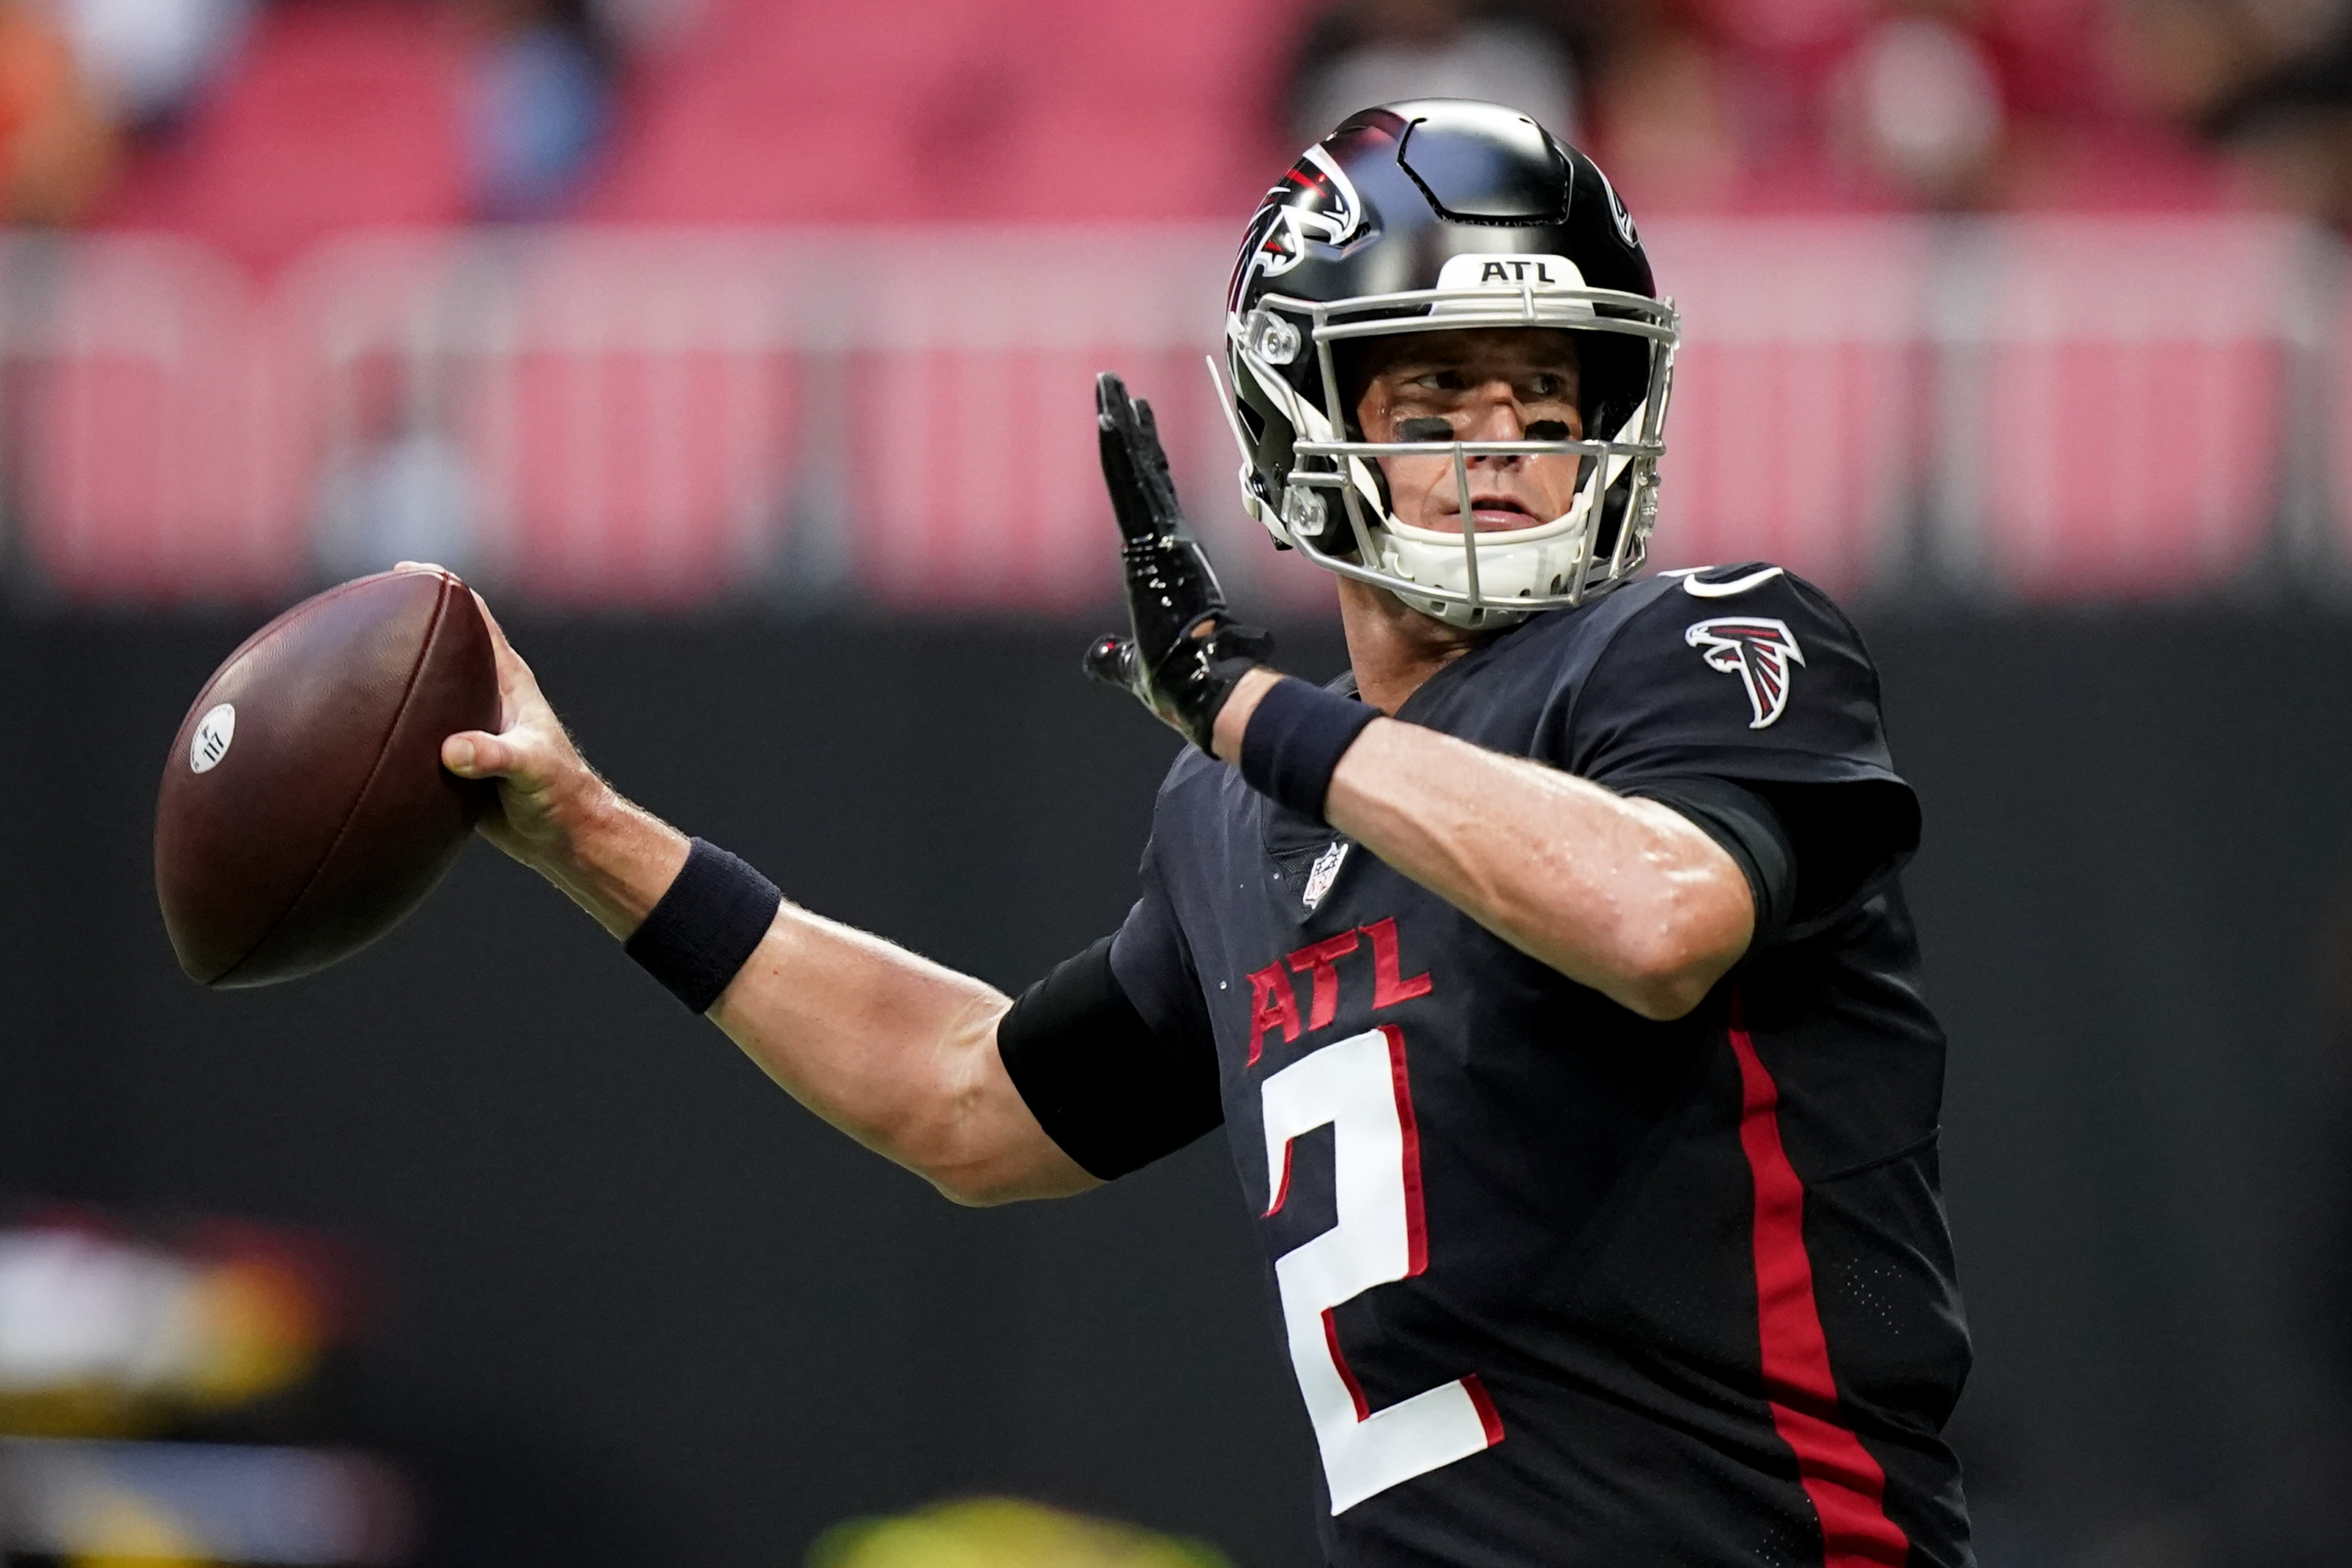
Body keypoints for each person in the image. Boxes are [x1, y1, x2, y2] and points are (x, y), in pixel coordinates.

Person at [428, 100, 1973, 1567]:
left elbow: (1657, 915)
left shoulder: (1696, 642)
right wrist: (589, 834)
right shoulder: (1241, 813)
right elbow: (964, 1099)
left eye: (1549, 402)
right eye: (1435, 399)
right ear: (1301, 422)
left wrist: (1248, 707)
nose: (1503, 442)